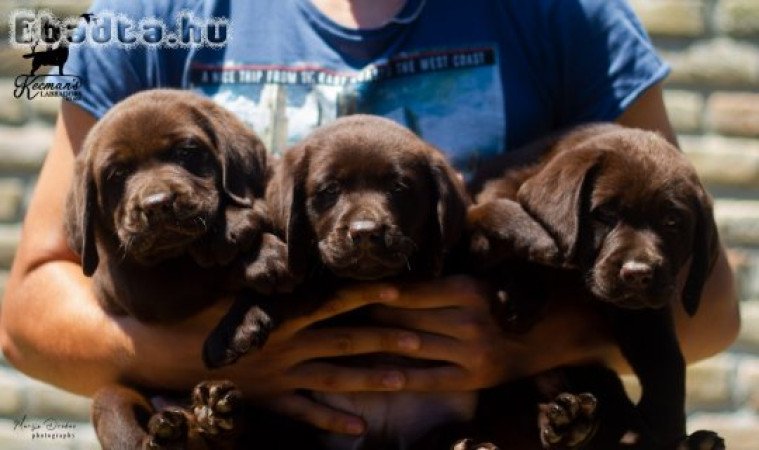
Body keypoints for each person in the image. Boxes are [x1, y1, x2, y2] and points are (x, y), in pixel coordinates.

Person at [0, 0, 739, 438]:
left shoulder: (563, 14)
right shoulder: (144, 15)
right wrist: (200, 354)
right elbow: (28, 317)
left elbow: (708, 314)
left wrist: (523, 347)